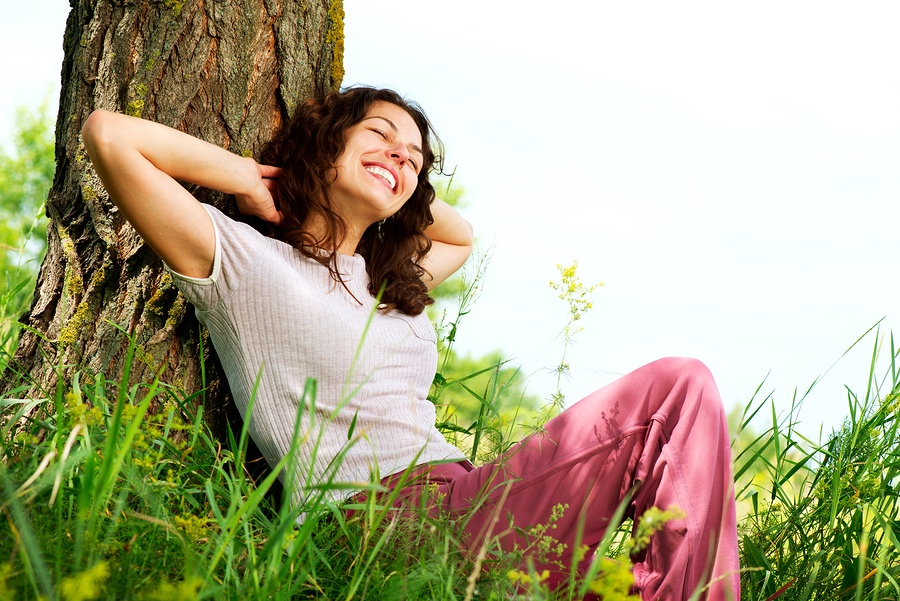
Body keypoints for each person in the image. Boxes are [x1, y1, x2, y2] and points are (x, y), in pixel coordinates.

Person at [82, 86, 740, 600]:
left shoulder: (386, 284)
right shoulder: (246, 264)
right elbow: (110, 136)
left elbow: (459, 233)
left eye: (415, 159)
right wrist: (255, 177)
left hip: (465, 503)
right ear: (324, 145)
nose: (401, 155)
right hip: (384, 521)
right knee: (676, 387)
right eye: (380, 134)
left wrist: (393, 177)